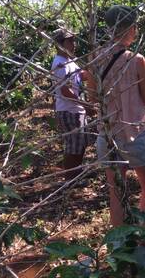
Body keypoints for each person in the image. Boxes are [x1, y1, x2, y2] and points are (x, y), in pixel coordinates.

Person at [96, 5, 145, 226]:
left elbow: (94, 96)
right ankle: (143, 241)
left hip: (108, 134)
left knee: (115, 193)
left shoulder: (96, 59)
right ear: (130, 27)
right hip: (135, 132)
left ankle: (119, 247)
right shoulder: (137, 60)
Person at [51, 28, 95, 179]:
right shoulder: (59, 64)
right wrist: (85, 105)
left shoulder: (69, 61)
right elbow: (65, 91)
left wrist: (94, 67)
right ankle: (70, 178)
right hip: (69, 110)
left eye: (73, 40)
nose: (74, 44)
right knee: (73, 146)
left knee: (80, 144)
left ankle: (76, 174)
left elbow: (80, 76)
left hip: (76, 110)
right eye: (70, 41)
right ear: (59, 44)